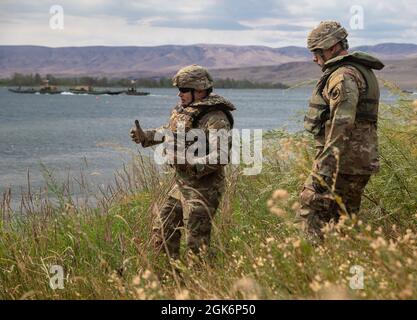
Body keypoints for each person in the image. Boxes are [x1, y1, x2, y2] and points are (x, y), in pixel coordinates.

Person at [130, 64, 235, 259]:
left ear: (200, 90)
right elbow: (169, 132)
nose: (180, 94)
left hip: (204, 188)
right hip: (182, 185)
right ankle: (170, 279)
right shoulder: (187, 111)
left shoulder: (215, 118)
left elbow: (221, 156)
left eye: (184, 90)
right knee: (163, 230)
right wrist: (146, 136)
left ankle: (202, 284)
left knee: (196, 243)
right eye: (179, 90)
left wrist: (189, 162)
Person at [299, 21, 385, 240]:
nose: (314, 58)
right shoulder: (355, 71)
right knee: (341, 222)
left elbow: (342, 124)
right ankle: (342, 264)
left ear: (332, 47)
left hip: (342, 163)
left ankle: (312, 267)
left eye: (317, 51)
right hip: (354, 162)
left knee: (311, 211)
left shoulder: (343, 76)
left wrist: (324, 169)